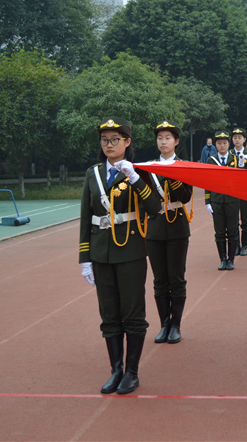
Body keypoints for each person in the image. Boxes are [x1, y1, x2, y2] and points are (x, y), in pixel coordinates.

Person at [79, 118, 160, 395]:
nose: (109, 145)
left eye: (115, 140)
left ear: (127, 142)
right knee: (110, 314)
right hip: (101, 253)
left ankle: (132, 372)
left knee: (132, 313)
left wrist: (136, 179)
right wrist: (84, 258)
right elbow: (85, 218)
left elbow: (154, 207)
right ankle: (116, 370)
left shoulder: (138, 171)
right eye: (104, 140)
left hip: (131, 252)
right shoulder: (93, 174)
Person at [145, 121, 193, 346]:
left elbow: (184, 197)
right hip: (154, 227)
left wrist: (172, 175)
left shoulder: (184, 166)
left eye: (167, 138)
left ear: (176, 142)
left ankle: (176, 325)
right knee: (159, 280)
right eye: (160, 138)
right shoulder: (147, 167)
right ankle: (164, 324)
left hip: (177, 228)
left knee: (176, 278)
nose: (163, 141)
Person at [204, 131, 240, 270]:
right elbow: (207, 181)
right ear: (215, 145)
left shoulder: (236, 159)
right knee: (219, 232)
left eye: (224, 143)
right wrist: (207, 202)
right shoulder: (211, 160)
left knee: (232, 230)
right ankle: (222, 259)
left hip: (232, 200)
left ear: (228, 144)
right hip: (217, 200)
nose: (222, 145)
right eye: (219, 143)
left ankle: (231, 260)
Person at [231, 127, 247, 256]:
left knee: (245, 218)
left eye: (239, 138)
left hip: (245, 191)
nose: (237, 140)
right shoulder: (229, 154)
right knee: (233, 220)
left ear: (244, 139)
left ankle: (244, 245)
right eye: (235, 137)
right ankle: (236, 245)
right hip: (232, 191)